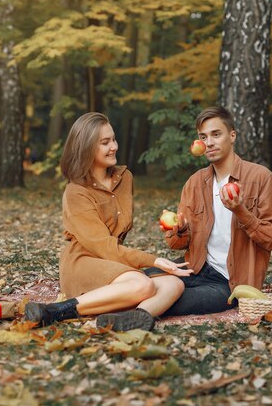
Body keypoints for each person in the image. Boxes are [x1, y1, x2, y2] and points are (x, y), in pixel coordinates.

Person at [25, 112, 191, 331]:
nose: (114, 146)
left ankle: (131, 319)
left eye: (113, 139)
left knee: (174, 284)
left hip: (113, 261)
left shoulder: (125, 178)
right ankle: (56, 311)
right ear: (86, 148)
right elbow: (101, 245)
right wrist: (153, 260)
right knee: (142, 284)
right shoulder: (76, 192)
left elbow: (115, 243)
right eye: (105, 142)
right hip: (83, 261)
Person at [147, 106, 272, 315]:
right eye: (203, 137)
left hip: (228, 283)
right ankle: (80, 306)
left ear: (232, 135)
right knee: (137, 282)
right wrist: (180, 229)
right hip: (194, 268)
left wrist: (241, 211)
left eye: (216, 134)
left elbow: (271, 238)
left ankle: (127, 316)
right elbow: (177, 244)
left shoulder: (261, 178)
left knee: (168, 301)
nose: (209, 142)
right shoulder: (194, 183)